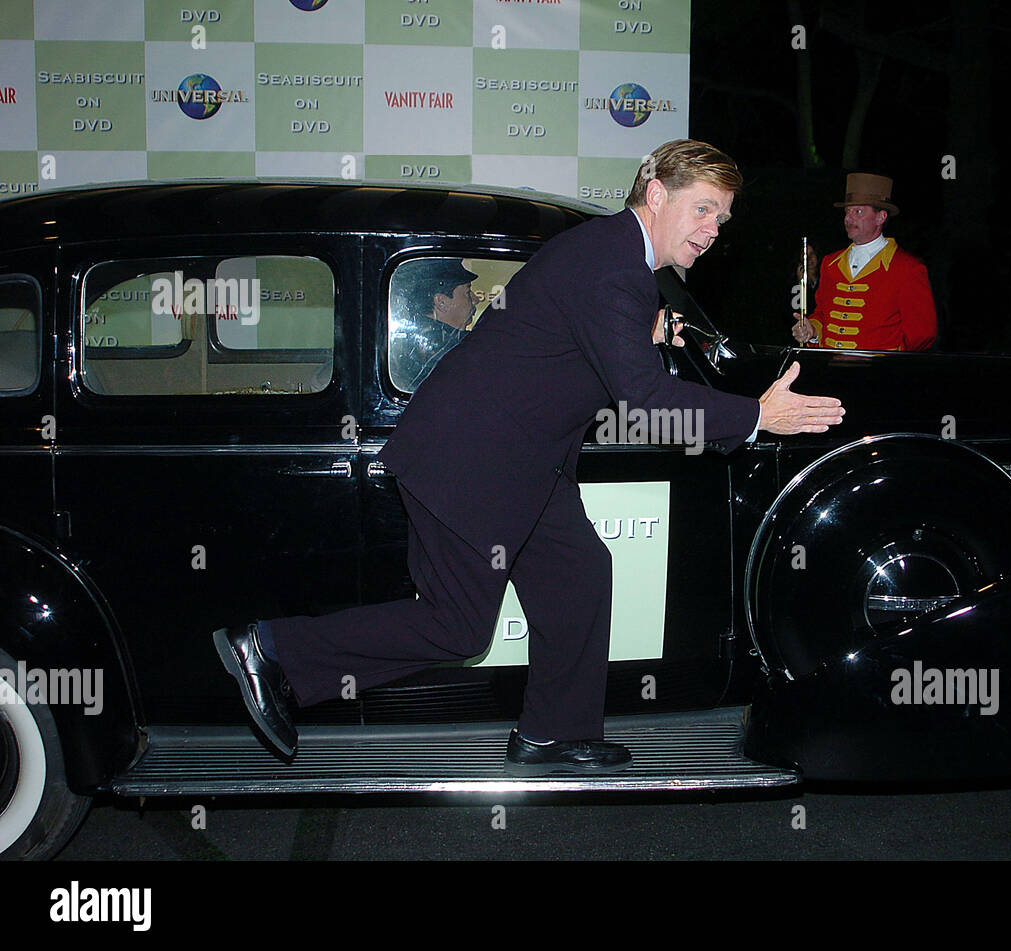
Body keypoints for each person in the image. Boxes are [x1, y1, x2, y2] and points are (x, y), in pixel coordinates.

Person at [213, 139, 845, 774]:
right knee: (457, 627)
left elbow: (572, 339)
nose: (711, 232)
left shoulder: (613, 256)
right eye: (703, 210)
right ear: (656, 195)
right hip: (471, 460)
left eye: (721, 220)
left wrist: (645, 335)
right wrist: (760, 415)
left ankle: (552, 733)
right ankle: (270, 649)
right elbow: (645, 399)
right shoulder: (614, 268)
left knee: (579, 576)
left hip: (523, 463)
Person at [792, 173, 937, 351]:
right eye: (847, 211)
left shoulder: (908, 268)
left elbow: (922, 335)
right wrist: (812, 330)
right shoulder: (830, 264)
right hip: (831, 371)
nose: (848, 218)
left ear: (880, 217)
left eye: (858, 211)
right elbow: (822, 315)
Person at [389, 259, 482, 390]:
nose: (476, 299)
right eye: (467, 293)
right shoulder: (450, 350)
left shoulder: (414, 346)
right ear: (441, 302)